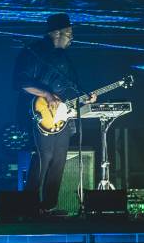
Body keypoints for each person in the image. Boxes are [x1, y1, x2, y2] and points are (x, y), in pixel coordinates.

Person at [13, 13, 94, 215]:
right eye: (69, 33)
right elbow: (20, 82)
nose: (72, 38)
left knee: (59, 159)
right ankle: (28, 206)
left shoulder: (64, 58)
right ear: (56, 33)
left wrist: (84, 97)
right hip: (39, 113)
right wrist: (47, 94)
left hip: (61, 116)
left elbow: (71, 87)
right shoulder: (34, 52)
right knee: (44, 157)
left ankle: (49, 205)